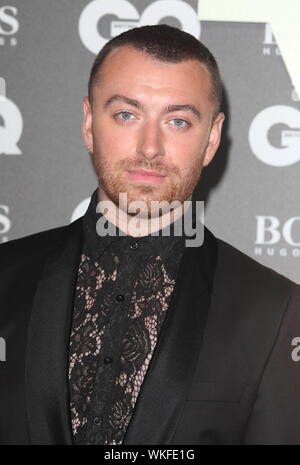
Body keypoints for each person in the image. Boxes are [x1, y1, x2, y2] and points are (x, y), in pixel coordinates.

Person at [0, 24, 299, 446]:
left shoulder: (276, 311)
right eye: (127, 114)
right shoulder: (6, 276)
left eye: (177, 121)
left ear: (211, 139)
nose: (150, 148)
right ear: (89, 123)